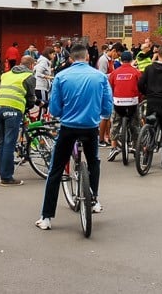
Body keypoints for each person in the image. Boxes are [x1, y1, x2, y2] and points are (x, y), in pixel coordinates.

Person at [36, 44, 112, 230]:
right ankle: (94, 200)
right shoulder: (100, 77)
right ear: (87, 57)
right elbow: (107, 107)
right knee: (93, 161)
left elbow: (54, 108)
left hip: (68, 127)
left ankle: (46, 217)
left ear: (71, 58)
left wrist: (63, 112)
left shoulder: (61, 76)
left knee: (56, 169)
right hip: (90, 127)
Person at [0, 56, 37, 186]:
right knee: (9, 143)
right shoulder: (29, 76)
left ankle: (3, 173)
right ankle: (7, 178)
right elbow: (30, 97)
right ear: (31, 65)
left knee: (3, 143)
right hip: (13, 108)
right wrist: (29, 105)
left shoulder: (7, 74)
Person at [108, 50, 142, 161]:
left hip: (118, 103)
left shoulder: (114, 73)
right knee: (135, 124)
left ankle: (113, 147)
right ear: (132, 60)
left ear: (121, 60)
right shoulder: (136, 72)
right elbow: (141, 88)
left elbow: (111, 87)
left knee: (115, 124)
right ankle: (137, 146)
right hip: (132, 102)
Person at [33, 47, 56, 116]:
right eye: (53, 54)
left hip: (42, 87)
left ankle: (42, 119)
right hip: (41, 87)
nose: (54, 56)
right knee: (44, 105)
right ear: (49, 54)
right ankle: (42, 121)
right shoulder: (44, 62)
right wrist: (50, 77)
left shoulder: (45, 61)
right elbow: (38, 73)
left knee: (43, 105)